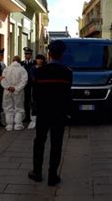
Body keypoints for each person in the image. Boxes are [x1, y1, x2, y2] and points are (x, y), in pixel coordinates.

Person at [28, 40, 72, 186]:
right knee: (56, 143)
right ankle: (52, 175)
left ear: (49, 54)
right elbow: (67, 94)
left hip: (43, 112)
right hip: (59, 113)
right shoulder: (67, 72)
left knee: (39, 141)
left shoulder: (39, 72)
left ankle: (37, 172)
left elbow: (35, 93)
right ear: (61, 54)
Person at [1, 56, 28, 131]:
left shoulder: (6, 69)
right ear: (19, 61)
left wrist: (8, 87)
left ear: (12, 61)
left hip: (7, 91)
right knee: (18, 108)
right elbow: (24, 81)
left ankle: (9, 125)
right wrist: (16, 88)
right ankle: (18, 125)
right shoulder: (22, 69)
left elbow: (2, 79)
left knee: (8, 107)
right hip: (18, 92)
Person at [28, 54, 47, 130]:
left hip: (43, 88)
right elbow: (32, 77)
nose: (39, 60)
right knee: (34, 103)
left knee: (43, 103)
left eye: (40, 59)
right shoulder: (33, 68)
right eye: (38, 59)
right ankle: (34, 120)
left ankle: (43, 119)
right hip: (35, 87)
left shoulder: (45, 67)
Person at [21, 47, 36, 123]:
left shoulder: (34, 63)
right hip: (25, 85)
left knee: (34, 100)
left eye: (29, 54)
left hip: (33, 84)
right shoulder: (21, 63)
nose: (27, 55)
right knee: (26, 101)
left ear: (31, 55)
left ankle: (34, 116)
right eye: (26, 54)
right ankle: (27, 117)